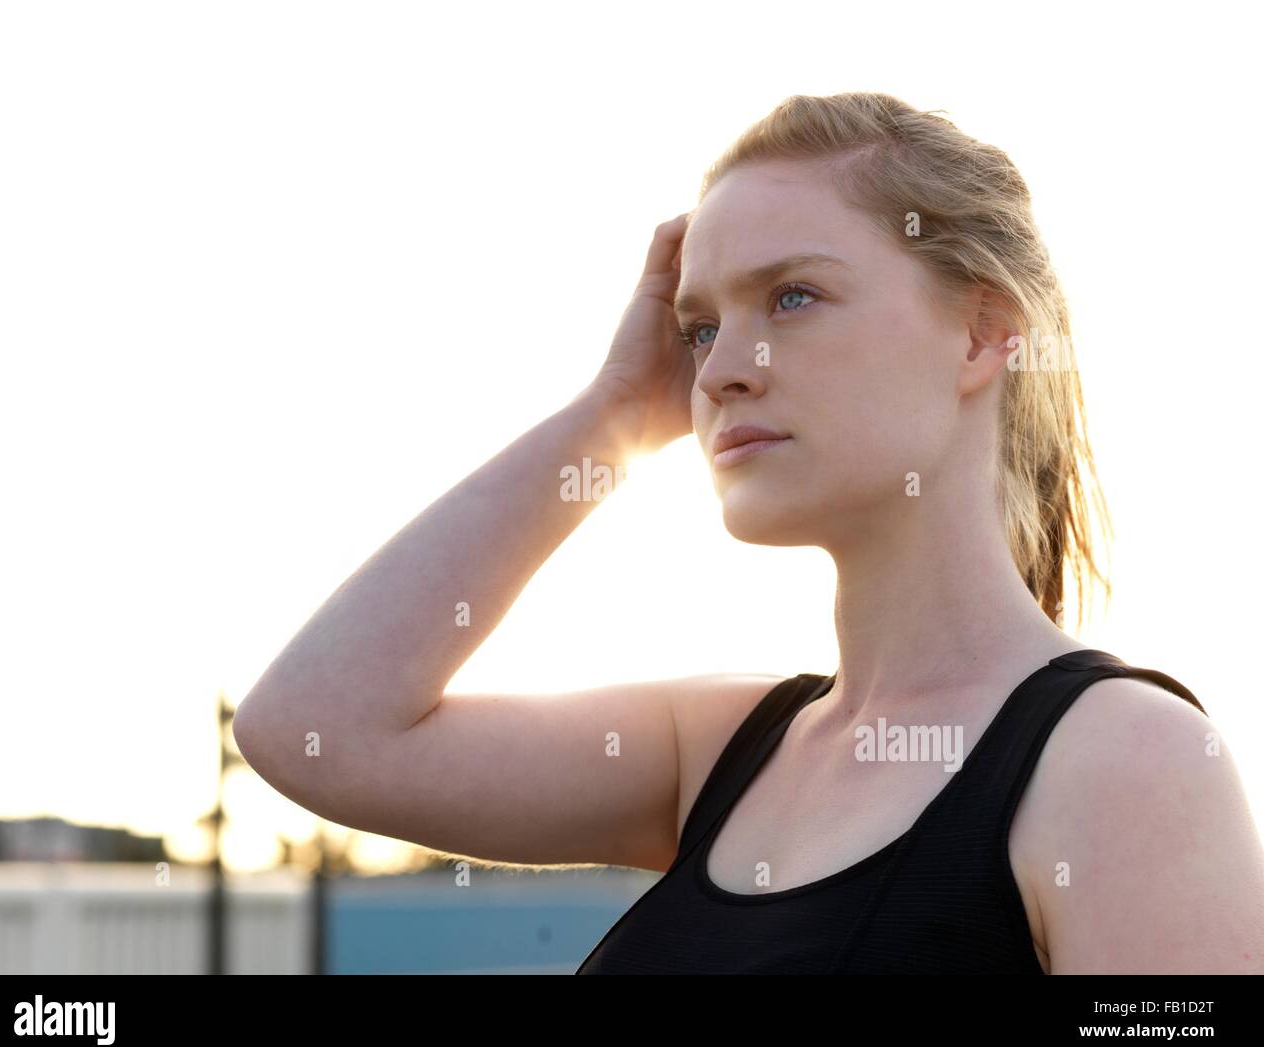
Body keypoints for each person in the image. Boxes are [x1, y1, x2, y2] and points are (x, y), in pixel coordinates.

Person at [233, 92, 1264, 974]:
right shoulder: (719, 753)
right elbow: (317, 731)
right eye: (699, 327)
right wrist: (616, 411)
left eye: (793, 296)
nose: (722, 368)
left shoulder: (1127, 762)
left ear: (983, 333)